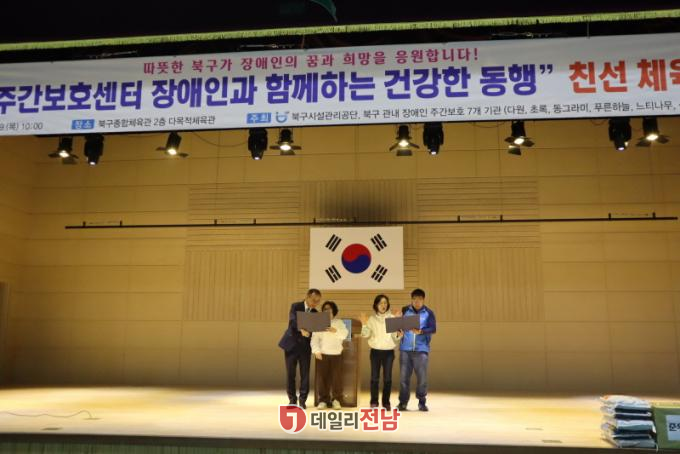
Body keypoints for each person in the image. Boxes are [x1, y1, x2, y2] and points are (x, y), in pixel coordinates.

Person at [278, 288, 321, 409]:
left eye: (317, 301)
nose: (315, 303)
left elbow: (316, 331)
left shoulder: (315, 313)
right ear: (307, 297)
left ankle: (302, 400)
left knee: (305, 375)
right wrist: (301, 329)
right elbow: (292, 321)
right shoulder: (296, 306)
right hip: (291, 345)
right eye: (313, 300)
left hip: (305, 347)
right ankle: (292, 400)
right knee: (290, 374)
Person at [360, 294, 402, 410]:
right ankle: (374, 401)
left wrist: (399, 334)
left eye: (385, 303)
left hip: (389, 352)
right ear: (376, 305)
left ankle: (386, 402)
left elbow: (395, 337)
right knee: (374, 378)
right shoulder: (371, 319)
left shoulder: (392, 318)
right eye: (380, 303)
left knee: (387, 379)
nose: (383, 305)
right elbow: (366, 335)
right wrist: (364, 324)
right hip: (375, 352)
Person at [398, 288, 436, 412]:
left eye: (419, 299)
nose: (417, 302)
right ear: (411, 300)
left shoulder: (429, 312)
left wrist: (421, 331)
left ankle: (422, 402)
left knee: (422, 378)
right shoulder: (405, 310)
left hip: (421, 350)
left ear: (423, 300)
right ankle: (403, 403)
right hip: (405, 349)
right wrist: (397, 323)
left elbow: (433, 328)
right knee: (403, 379)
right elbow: (398, 326)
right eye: (414, 299)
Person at [311, 301, 348, 410]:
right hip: (322, 355)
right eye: (325, 310)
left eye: (330, 310)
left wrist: (335, 331)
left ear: (334, 312)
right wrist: (316, 351)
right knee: (322, 378)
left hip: (336, 354)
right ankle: (323, 400)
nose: (327, 312)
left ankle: (336, 400)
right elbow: (314, 339)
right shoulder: (319, 323)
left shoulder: (339, 322)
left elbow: (345, 335)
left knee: (337, 378)